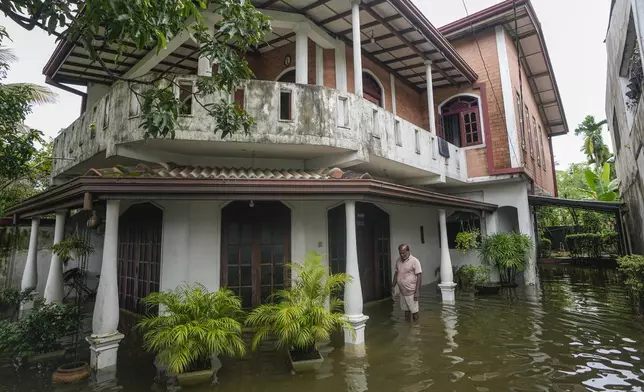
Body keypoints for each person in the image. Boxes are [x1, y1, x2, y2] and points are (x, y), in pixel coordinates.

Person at [392, 244, 422, 321]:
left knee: (415, 312)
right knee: (406, 312)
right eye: (400, 253)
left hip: (411, 292)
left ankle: (416, 329)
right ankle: (408, 329)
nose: (402, 255)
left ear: (408, 251)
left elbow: (419, 276)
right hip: (402, 292)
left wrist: (417, 292)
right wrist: (393, 286)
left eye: (404, 253)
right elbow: (396, 273)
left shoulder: (414, 261)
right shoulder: (398, 260)